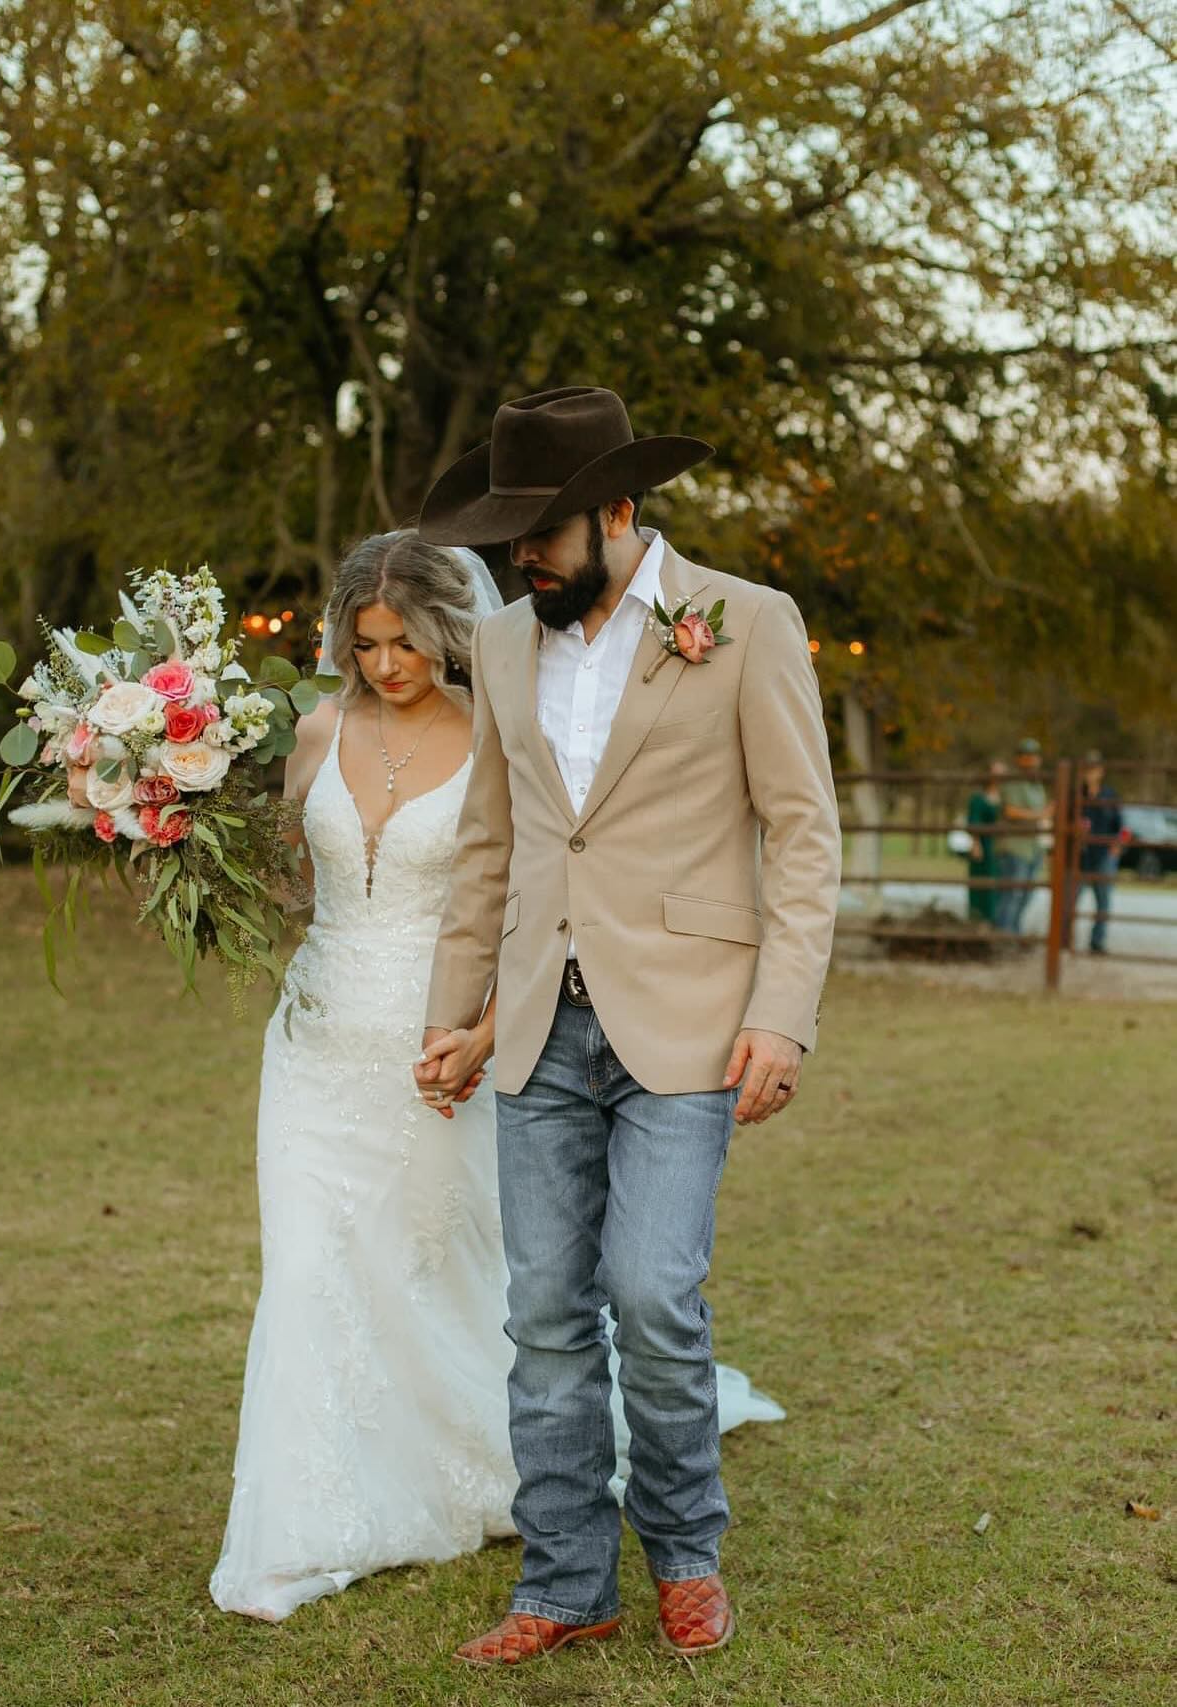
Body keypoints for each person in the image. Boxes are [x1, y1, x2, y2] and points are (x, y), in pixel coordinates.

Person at [209, 528, 780, 1624]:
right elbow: (287, 875)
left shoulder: (501, 727)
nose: (386, 665)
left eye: (407, 643)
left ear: (447, 635)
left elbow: (520, 892)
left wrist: (471, 1024)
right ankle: (310, 1513)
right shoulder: (318, 731)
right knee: (309, 1265)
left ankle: (545, 1491)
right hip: (320, 1036)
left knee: (476, 1270)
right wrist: (176, 830)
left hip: (463, 1040)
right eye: (367, 644)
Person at [415, 387, 841, 1666]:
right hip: (538, 1023)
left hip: (694, 1024)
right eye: (505, 543)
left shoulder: (747, 624)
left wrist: (784, 1015)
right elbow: (490, 843)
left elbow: (804, 835)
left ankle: (687, 1553)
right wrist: (454, 1020)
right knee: (543, 1313)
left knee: (652, 1298)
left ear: (616, 511)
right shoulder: (501, 645)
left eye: (537, 536)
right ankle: (563, 1582)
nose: (518, 563)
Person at [995, 737, 1051, 934]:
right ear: (1018, 759)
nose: (1030, 761)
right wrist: (1041, 814)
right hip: (1014, 846)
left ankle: (1014, 933)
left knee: (1026, 895)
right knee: (1012, 894)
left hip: (1032, 847)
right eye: (1026, 757)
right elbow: (1010, 811)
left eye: (1033, 757)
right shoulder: (1012, 782)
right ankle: (1002, 935)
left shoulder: (1036, 785)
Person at [1072, 749, 1122, 955]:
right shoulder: (1076, 795)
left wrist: (1116, 846)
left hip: (1103, 855)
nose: (1090, 773)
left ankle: (1097, 942)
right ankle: (1066, 939)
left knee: (1103, 902)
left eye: (1094, 769)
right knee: (1071, 899)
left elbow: (1119, 825)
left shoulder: (1110, 795)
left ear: (1100, 771)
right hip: (1081, 854)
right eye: (1087, 769)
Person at [965, 760, 1008, 925]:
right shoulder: (978, 798)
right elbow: (973, 821)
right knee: (981, 884)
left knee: (998, 885)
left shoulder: (1004, 798)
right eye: (996, 773)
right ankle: (978, 919)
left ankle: (995, 920)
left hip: (1001, 847)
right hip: (984, 845)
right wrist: (976, 843)